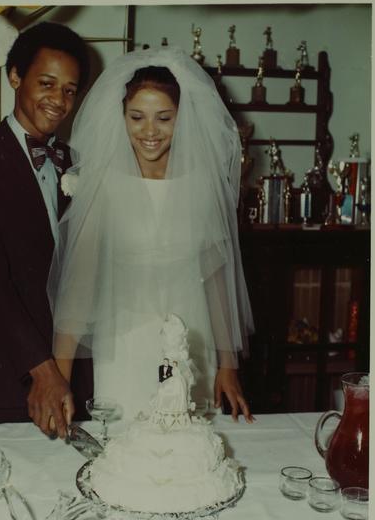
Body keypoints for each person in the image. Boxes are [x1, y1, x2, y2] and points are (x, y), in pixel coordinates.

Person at [48, 46, 255, 422]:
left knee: (190, 445)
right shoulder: (104, 185)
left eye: (164, 118)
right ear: (122, 117)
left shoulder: (203, 185)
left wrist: (228, 364)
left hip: (193, 342)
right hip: (124, 345)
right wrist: (60, 379)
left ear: (183, 118)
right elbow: (78, 287)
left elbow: (216, 279)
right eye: (137, 117)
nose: (149, 131)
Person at [0, 21, 90, 438]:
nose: (58, 100)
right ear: (14, 76)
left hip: (83, 372)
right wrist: (43, 371)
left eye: (69, 90)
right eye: (47, 83)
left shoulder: (79, 164)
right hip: (10, 376)